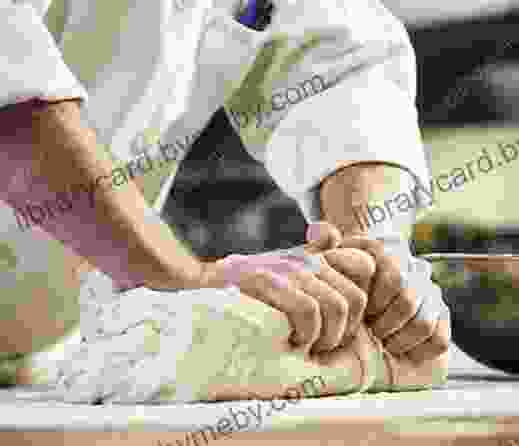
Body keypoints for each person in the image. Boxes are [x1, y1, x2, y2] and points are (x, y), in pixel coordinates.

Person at [0, 0, 450, 388]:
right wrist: (183, 280)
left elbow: (339, 64)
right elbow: (11, 91)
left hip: (43, 358)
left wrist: (370, 246)